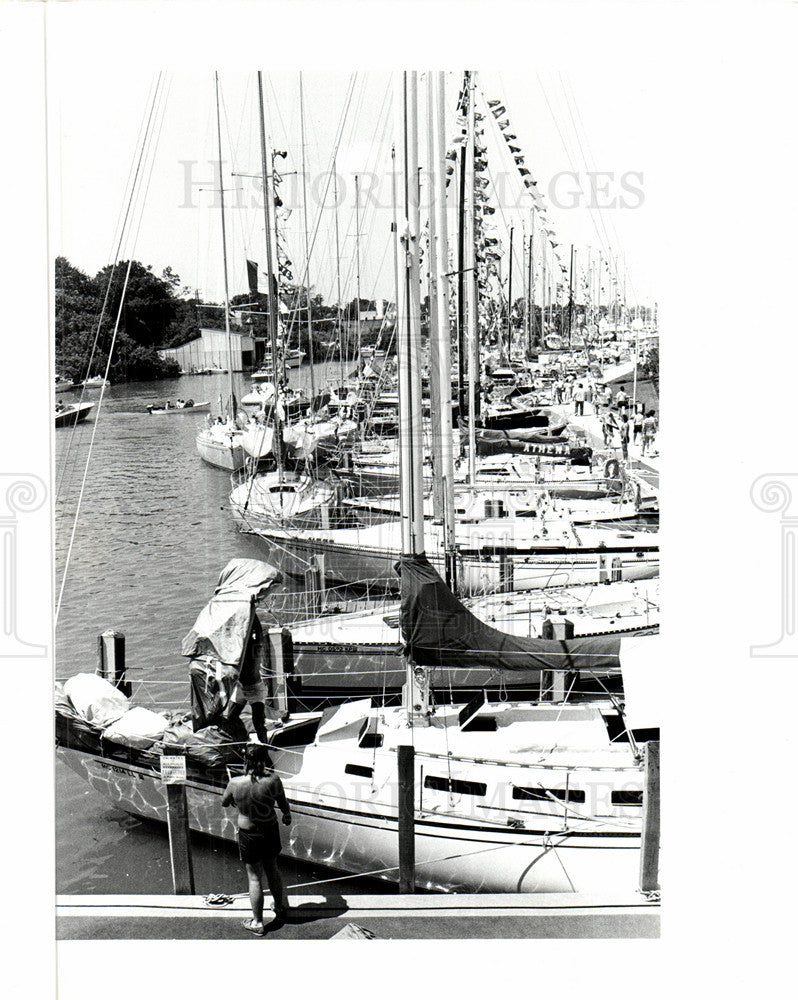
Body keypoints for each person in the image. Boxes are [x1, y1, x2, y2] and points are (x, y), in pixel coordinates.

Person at [222, 744, 292, 935]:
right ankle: (279, 908)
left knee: (254, 878)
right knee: (273, 870)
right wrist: (286, 815)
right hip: (269, 830)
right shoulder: (274, 780)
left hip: (248, 833)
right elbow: (284, 805)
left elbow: (225, 802)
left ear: (246, 761)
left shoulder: (235, 783)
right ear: (264, 760)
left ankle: (258, 922)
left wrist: (240, 802)